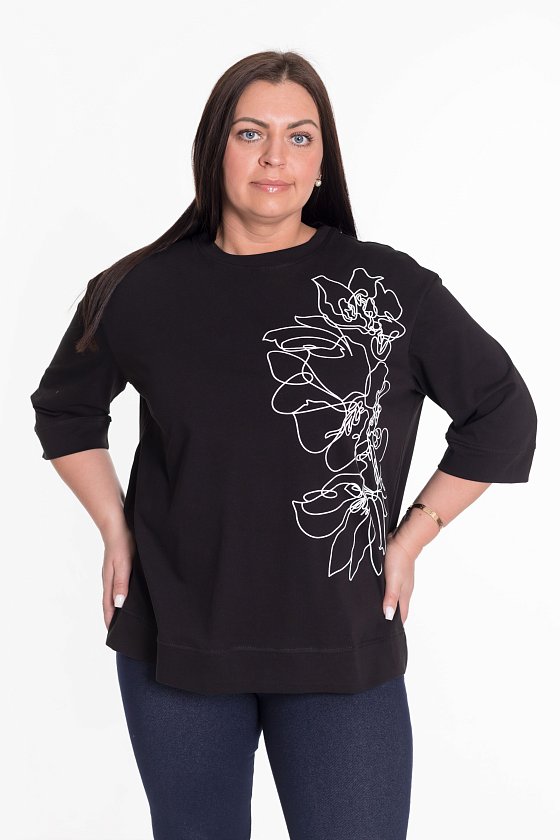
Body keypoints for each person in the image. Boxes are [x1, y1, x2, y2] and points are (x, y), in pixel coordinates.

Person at [29, 50, 537, 840]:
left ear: (323, 159)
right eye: (250, 133)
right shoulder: (138, 290)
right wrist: (114, 528)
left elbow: (502, 411)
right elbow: (65, 410)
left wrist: (414, 535)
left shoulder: (385, 290)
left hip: (342, 642)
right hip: (178, 639)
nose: (276, 157)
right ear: (214, 148)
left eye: (300, 136)